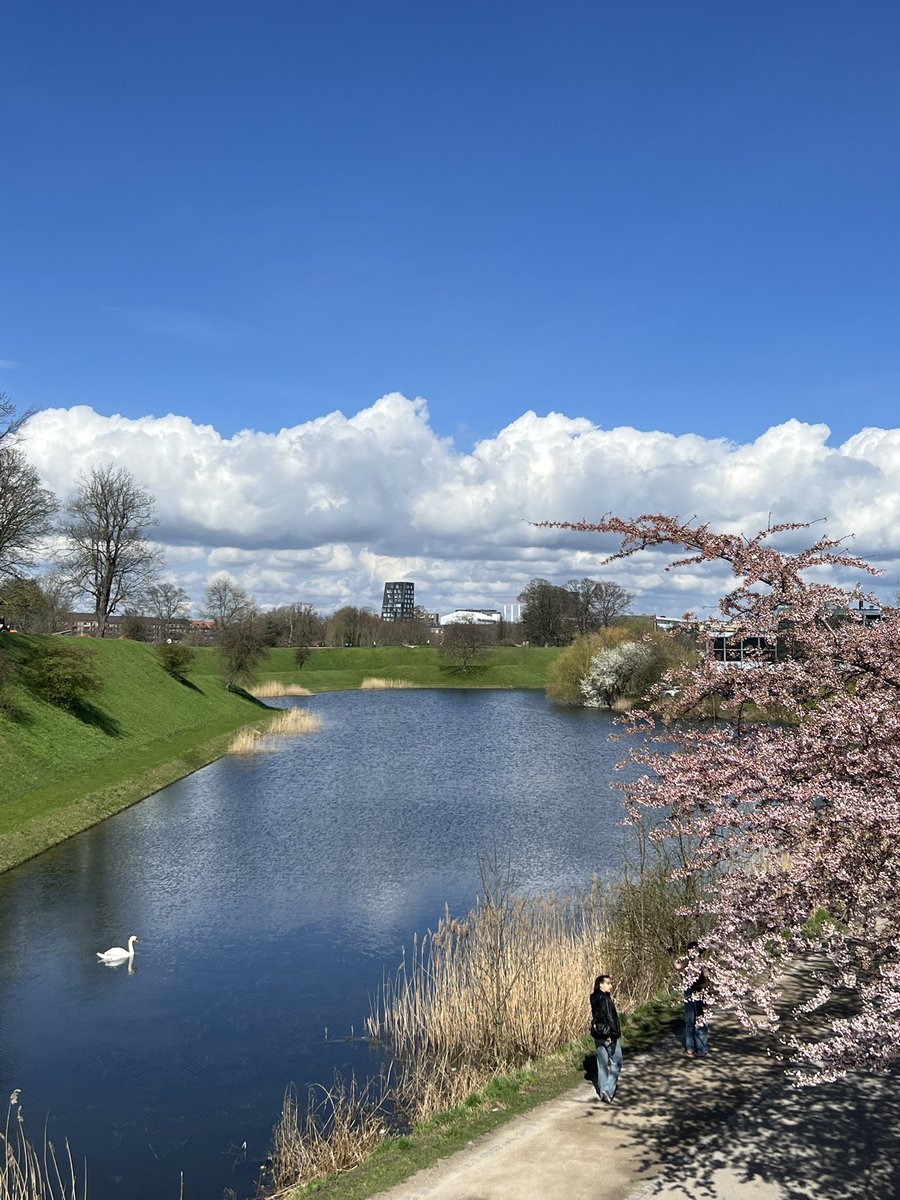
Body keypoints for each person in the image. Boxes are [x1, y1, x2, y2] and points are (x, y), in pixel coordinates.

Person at [589, 973, 623, 1102]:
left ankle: (602, 1090)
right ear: (600, 985)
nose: (611, 986)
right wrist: (614, 1035)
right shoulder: (606, 1000)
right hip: (608, 1034)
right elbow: (611, 1019)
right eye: (608, 983)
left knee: (602, 1063)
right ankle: (608, 1089)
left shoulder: (593, 998)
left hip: (598, 1034)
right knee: (617, 1061)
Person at [674, 942, 708, 1057]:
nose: (691, 952)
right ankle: (690, 1047)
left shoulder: (703, 964)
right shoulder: (688, 961)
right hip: (688, 991)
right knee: (690, 1020)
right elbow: (677, 966)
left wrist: (702, 989)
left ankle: (701, 1048)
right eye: (689, 950)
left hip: (700, 991)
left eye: (693, 950)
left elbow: (707, 980)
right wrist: (672, 954)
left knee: (701, 1021)